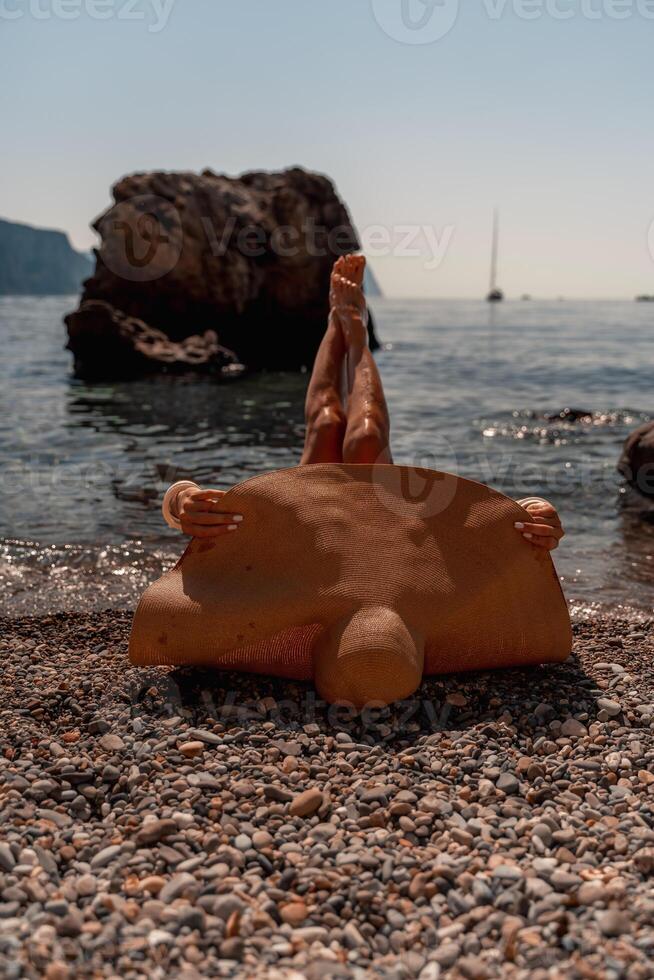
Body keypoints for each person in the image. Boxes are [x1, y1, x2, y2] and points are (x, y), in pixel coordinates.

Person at [162, 255, 565, 551]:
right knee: (365, 433)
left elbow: (189, 504)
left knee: (325, 426)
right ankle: (353, 333)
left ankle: (339, 328)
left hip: (307, 537)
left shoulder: (269, 639)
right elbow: (484, 531)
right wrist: (533, 511)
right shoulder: (447, 636)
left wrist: (184, 503)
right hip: (384, 539)